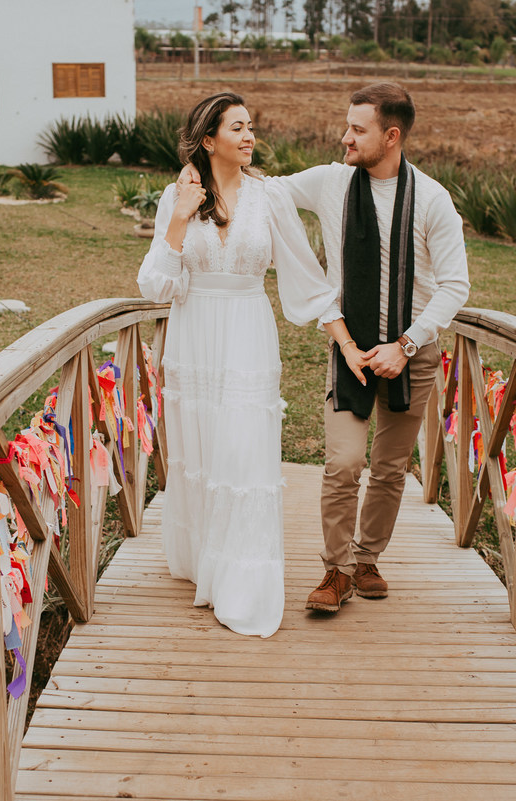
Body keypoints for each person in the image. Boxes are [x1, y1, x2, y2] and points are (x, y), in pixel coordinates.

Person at [181, 82, 470, 613]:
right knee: (343, 463)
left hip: (413, 354)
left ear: (391, 136)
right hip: (350, 351)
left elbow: (455, 286)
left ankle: (367, 559)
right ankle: (336, 571)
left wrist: (405, 345)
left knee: (390, 468)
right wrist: (196, 171)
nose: (345, 138)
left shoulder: (432, 200)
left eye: (357, 130)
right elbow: (260, 188)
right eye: (347, 126)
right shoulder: (332, 183)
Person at [137, 92, 362, 638]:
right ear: (208, 139)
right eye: (236, 127)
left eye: (251, 126)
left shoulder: (268, 196)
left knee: (243, 455)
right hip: (193, 338)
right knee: (202, 449)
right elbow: (156, 286)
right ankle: (202, 561)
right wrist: (180, 218)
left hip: (246, 336)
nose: (249, 136)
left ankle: (243, 584)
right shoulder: (177, 196)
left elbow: (307, 278)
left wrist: (347, 343)